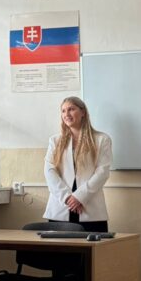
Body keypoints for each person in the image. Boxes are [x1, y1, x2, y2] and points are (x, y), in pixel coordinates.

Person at [43, 96, 112, 231]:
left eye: (71, 109)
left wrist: (80, 197)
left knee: (93, 244)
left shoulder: (102, 139)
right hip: (61, 207)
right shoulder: (55, 141)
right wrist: (68, 198)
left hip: (90, 209)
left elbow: (102, 172)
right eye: (63, 111)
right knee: (59, 245)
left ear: (83, 112)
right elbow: (49, 171)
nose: (66, 114)